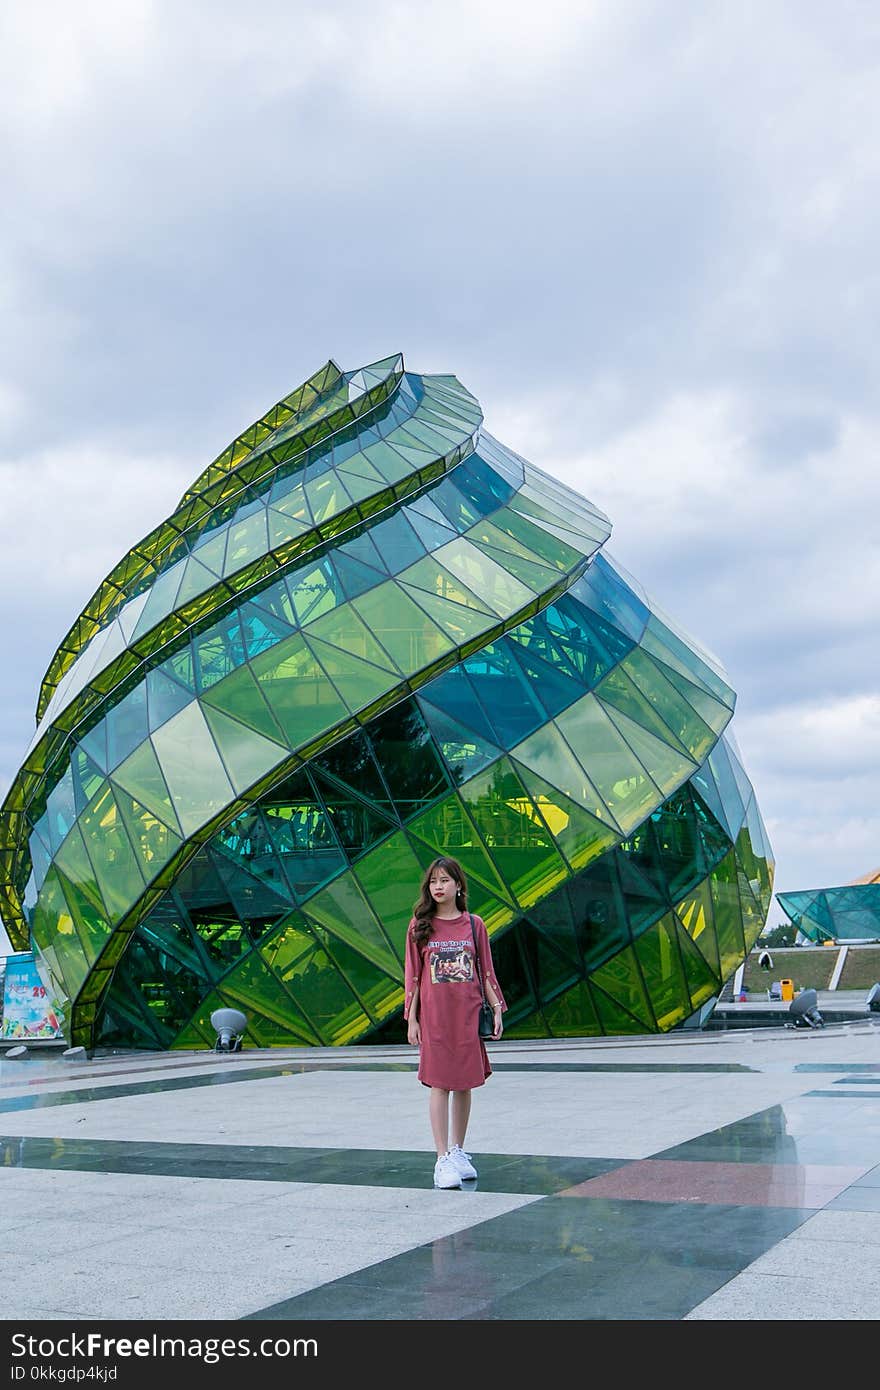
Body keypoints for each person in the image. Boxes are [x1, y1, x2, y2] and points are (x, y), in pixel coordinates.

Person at [404, 856, 506, 1189]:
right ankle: (441, 1158)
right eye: (433, 881)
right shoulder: (419, 926)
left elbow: (485, 970)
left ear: (458, 885)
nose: (438, 887)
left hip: (468, 1015)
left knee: (464, 1083)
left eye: (445, 880)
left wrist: (496, 1006)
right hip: (435, 1019)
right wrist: (412, 1019)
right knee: (439, 1084)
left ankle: (459, 1151)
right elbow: (415, 977)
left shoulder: (474, 924)